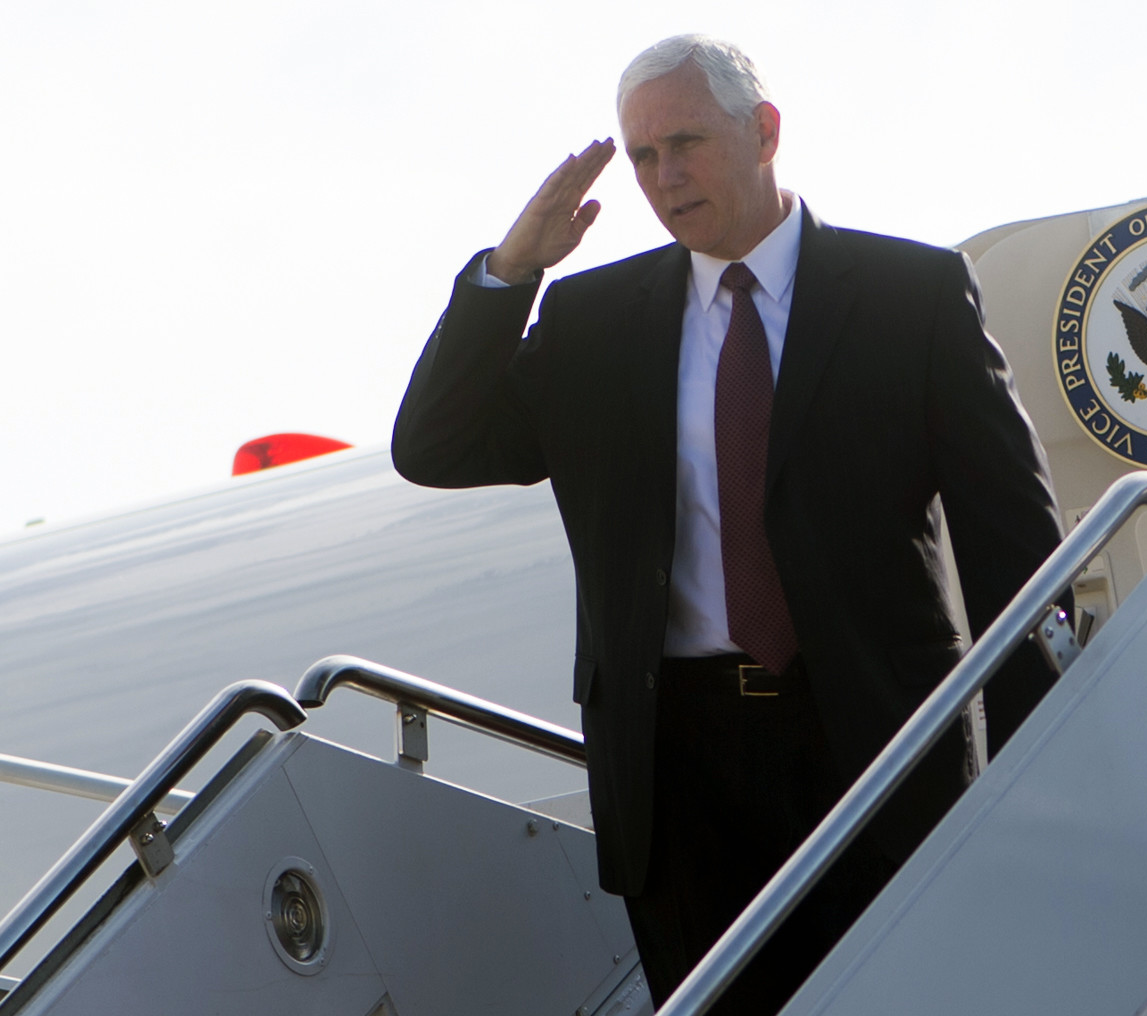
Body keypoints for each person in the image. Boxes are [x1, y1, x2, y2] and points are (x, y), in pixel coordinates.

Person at [392, 34, 1066, 1015]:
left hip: (881, 743)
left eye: (686, 143)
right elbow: (435, 446)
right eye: (643, 157)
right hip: (676, 771)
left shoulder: (909, 297)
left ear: (764, 132)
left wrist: (1040, 774)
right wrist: (508, 274)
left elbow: (1018, 550)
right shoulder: (592, 320)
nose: (665, 178)